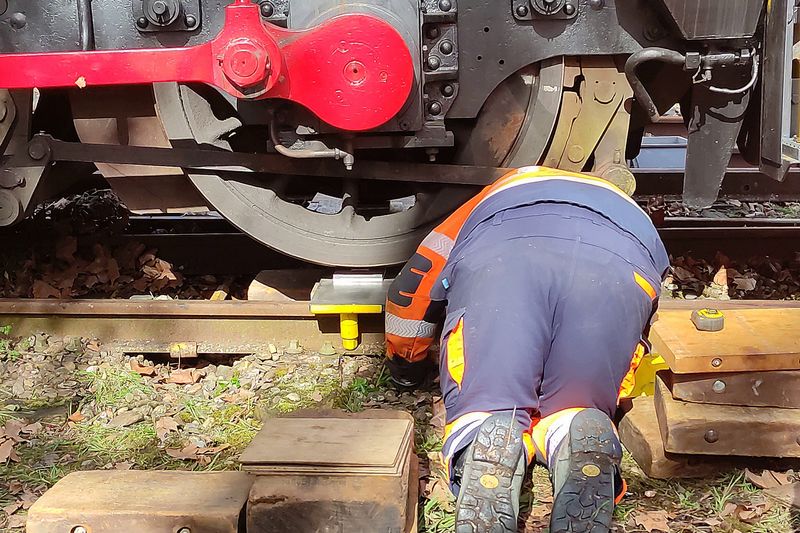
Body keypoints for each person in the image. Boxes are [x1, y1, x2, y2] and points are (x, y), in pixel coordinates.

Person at [384, 166, 668, 532]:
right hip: (617, 271)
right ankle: (573, 430)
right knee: (574, 404)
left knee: (488, 404)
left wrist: (406, 366)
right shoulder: (629, 208)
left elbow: (412, 286)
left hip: (506, 262)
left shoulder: (499, 190)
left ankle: (484, 437)